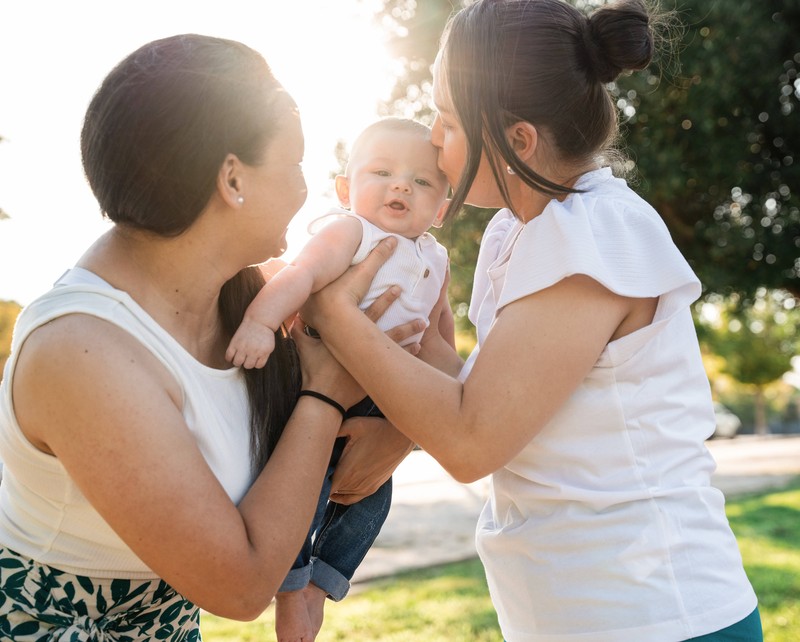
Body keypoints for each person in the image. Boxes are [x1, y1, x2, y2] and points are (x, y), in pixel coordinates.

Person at [299, 1, 764, 640]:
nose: (433, 137)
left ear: (517, 141)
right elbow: (485, 393)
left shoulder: (594, 234)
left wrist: (333, 311)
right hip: (571, 615)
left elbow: (471, 441)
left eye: (450, 120)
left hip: (654, 614)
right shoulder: (514, 233)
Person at [0, 34, 415, 640]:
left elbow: (396, 400)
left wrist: (396, 433)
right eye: (296, 163)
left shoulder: (249, 301)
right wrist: (324, 397)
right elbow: (240, 587)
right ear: (232, 179)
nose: (307, 190)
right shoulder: (82, 352)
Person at [226, 116, 451, 642]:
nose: (401, 185)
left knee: (371, 497)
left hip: (387, 400)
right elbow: (299, 274)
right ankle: (288, 588)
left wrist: (462, 398)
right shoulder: (349, 231)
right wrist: (260, 323)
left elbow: (439, 342)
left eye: (422, 182)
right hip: (319, 383)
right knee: (306, 493)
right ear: (347, 190)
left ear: (440, 209)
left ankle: (320, 585)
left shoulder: (436, 259)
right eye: (382, 172)